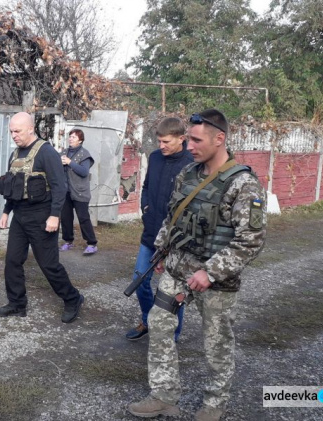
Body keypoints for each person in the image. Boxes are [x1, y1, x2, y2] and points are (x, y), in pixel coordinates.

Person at [127, 109, 267, 421]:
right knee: (160, 324)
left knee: (216, 343)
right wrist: (162, 249)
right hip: (177, 271)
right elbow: (173, 216)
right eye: (188, 138)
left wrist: (211, 271)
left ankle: (214, 404)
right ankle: (163, 394)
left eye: (196, 139)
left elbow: (251, 239)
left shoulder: (243, 184)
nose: (189, 145)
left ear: (220, 139)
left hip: (216, 282)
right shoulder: (188, 174)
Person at [0, 112, 84, 323]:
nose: (14, 135)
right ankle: (17, 304)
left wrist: (54, 216)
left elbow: (60, 187)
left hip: (42, 216)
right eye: (11, 132)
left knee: (48, 264)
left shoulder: (46, 152)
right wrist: (7, 211)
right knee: (13, 261)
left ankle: (73, 298)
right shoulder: (15, 154)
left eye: (17, 131)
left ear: (30, 129)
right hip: (20, 216)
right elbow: (13, 186)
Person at [126, 117, 194, 342]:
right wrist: (145, 208)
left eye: (166, 142)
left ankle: (171, 336)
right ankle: (148, 321)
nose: (161, 146)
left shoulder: (192, 163)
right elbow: (146, 187)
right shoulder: (155, 158)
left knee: (173, 292)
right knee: (139, 281)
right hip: (151, 233)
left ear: (181, 139)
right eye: (159, 141)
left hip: (176, 241)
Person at [59, 129, 98, 255]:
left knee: (83, 218)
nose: (71, 139)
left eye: (74, 137)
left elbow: (84, 172)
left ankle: (92, 243)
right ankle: (68, 241)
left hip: (80, 191)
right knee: (66, 217)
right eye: (70, 136)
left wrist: (70, 162)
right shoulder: (64, 152)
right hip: (66, 191)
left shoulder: (84, 154)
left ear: (80, 140)